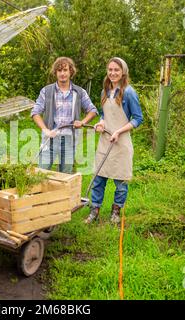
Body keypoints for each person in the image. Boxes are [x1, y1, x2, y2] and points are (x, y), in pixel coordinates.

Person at [84, 57, 143, 225]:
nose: (113, 73)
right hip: (105, 141)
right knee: (98, 179)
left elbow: (138, 119)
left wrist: (118, 131)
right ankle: (94, 211)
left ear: (123, 72)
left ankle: (116, 212)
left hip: (121, 142)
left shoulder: (129, 92)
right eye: (110, 69)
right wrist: (101, 123)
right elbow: (104, 114)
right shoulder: (105, 91)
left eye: (116, 70)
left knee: (121, 182)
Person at [31, 57, 98, 173]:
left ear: (71, 71)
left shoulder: (79, 92)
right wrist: (45, 129)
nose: (62, 73)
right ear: (55, 73)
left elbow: (93, 110)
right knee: (41, 174)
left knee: (65, 176)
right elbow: (35, 112)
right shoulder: (46, 91)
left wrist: (82, 122)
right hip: (50, 138)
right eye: (59, 70)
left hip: (69, 139)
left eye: (65, 70)